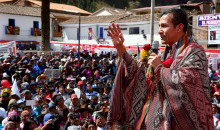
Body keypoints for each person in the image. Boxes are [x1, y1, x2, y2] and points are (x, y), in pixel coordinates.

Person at [107, 8, 213, 129]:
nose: (159, 31)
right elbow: (140, 74)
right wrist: (120, 48)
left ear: (179, 27)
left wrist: (159, 68)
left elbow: (187, 82)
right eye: (159, 26)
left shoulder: (195, 52)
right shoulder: (167, 52)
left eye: (164, 26)